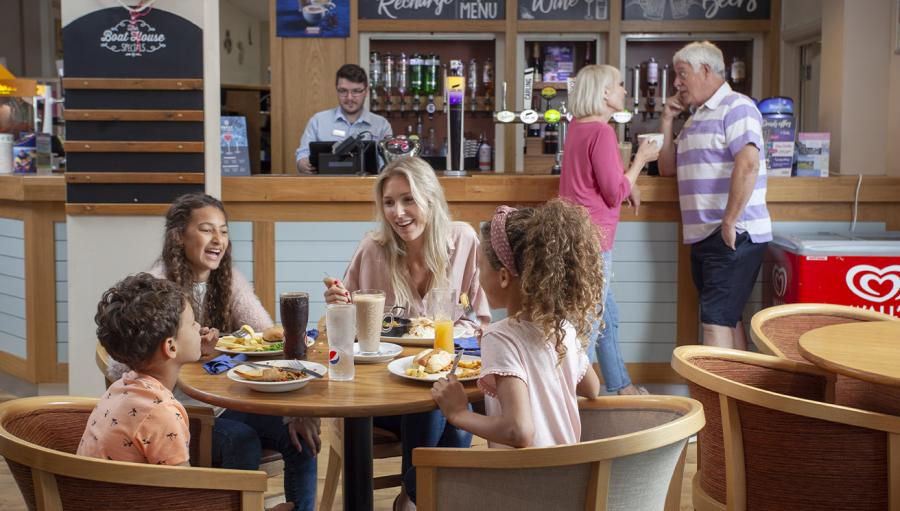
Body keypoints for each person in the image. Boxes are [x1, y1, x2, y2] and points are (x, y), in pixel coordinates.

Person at [107, 193, 319, 511]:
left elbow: (268, 338)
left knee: (299, 439)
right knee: (241, 440)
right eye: (207, 229)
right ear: (179, 236)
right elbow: (116, 367)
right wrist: (185, 357)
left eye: (223, 230)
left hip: (222, 403)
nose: (218, 239)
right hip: (174, 414)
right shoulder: (158, 289)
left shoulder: (228, 280)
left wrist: (294, 413)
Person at [324, 156, 490, 510]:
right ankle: (419, 498)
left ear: (430, 198)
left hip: (443, 375)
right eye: (388, 202)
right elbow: (345, 329)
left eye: (408, 199)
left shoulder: (463, 239)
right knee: (438, 405)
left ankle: (411, 497)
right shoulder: (373, 249)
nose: (397, 213)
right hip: (383, 390)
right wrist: (339, 303)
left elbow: (483, 322)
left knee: (442, 399)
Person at [432, 199, 602, 448]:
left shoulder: (499, 337)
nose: (478, 275)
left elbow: (518, 431)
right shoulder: (562, 328)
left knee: (431, 470)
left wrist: (459, 414)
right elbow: (592, 388)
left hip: (522, 483)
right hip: (570, 478)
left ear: (503, 276)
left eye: (480, 266)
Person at [657, 41, 771, 350]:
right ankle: (736, 398)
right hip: (705, 235)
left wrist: (729, 222)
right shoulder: (696, 117)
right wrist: (667, 121)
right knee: (726, 319)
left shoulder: (738, 106)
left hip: (732, 233)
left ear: (705, 70)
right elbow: (667, 168)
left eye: (682, 74)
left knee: (714, 323)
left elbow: (748, 163)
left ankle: (714, 400)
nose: (677, 83)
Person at [559, 64, 659, 396]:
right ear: (604, 92)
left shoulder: (577, 127)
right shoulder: (602, 133)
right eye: (619, 84)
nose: (624, 90)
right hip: (595, 239)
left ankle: (621, 386)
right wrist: (641, 160)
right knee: (589, 318)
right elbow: (613, 192)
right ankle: (577, 401)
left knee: (606, 314)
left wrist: (630, 183)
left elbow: (608, 179)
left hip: (574, 235)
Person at [79, 273, 201, 466]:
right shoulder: (163, 413)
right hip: (128, 497)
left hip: (92, 494)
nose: (199, 327)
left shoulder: (119, 388)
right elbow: (182, 489)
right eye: (193, 323)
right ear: (171, 347)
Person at [295, 64, 392, 174]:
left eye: (356, 91)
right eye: (343, 91)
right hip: (326, 187)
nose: (349, 97)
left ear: (366, 91)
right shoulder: (318, 121)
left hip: (367, 188)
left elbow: (388, 164)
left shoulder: (382, 125)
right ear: (337, 90)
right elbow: (302, 155)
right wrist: (303, 164)